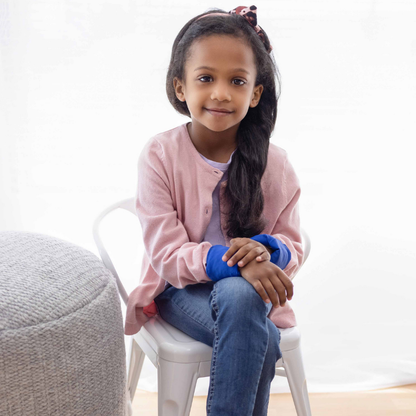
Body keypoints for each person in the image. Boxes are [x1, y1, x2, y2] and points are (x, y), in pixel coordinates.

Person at [124, 5, 304, 415]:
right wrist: (238, 264)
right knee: (259, 332)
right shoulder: (160, 154)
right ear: (180, 87)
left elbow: (292, 245)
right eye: (205, 78)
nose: (221, 93)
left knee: (240, 296)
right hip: (178, 291)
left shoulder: (275, 163)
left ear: (254, 94)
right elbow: (166, 256)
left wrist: (265, 251)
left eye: (237, 81)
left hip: (252, 296)